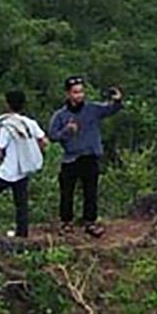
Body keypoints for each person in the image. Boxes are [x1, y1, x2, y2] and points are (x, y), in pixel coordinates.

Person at [48, 75, 123, 238]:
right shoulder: (60, 115)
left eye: (81, 92)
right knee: (67, 191)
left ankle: (90, 222)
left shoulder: (92, 109)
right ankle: (66, 222)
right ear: (68, 94)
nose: (79, 95)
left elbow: (110, 109)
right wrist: (67, 131)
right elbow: (52, 136)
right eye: (75, 92)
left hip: (90, 156)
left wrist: (117, 100)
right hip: (71, 158)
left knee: (91, 191)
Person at [0, 90, 48, 239]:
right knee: (21, 203)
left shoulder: (7, 125)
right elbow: (43, 141)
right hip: (24, 169)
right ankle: (22, 234)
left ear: (8, 105)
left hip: (8, 170)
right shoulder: (30, 123)